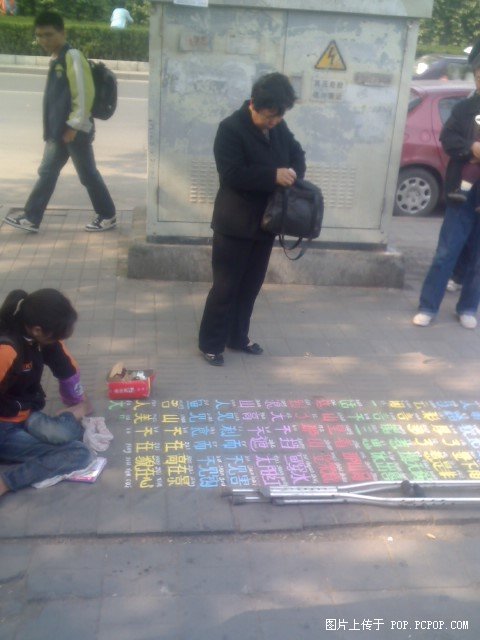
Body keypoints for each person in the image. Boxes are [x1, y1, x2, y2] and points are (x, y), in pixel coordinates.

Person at [198, 72, 306, 365]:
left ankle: (238, 337)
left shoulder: (279, 128)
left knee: (251, 286)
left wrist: (293, 173)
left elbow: (297, 153)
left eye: (279, 116)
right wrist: (273, 176)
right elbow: (231, 174)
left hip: (266, 223)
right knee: (225, 287)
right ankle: (211, 343)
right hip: (234, 223)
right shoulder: (231, 129)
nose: (274, 122)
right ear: (255, 105)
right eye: (269, 116)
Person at [3, 11, 116, 234]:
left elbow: (84, 94)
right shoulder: (57, 58)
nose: (44, 40)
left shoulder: (72, 56)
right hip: (60, 131)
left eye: (49, 35)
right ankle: (31, 217)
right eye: (39, 36)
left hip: (74, 131)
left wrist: (74, 126)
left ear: (62, 33)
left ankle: (107, 215)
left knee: (87, 175)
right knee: (47, 172)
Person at [0, 288, 93, 498]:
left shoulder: (41, 337)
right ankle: (5, 483)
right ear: (37, 330)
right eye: (57, 336)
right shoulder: (7, 349)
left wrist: (76, 399)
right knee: (78, 452)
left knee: (68, 433)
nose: (59, 341)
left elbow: (67, 371)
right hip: (4, 430)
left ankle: (69, 415)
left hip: (25, 415)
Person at [413, 61, 480, 330]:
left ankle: (468, 307)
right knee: (446, 252)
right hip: (461, 192)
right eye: (479, 76)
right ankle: (428, 306)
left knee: (478, 259)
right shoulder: (464, 109)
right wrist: (471, 147)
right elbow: (448, 139)